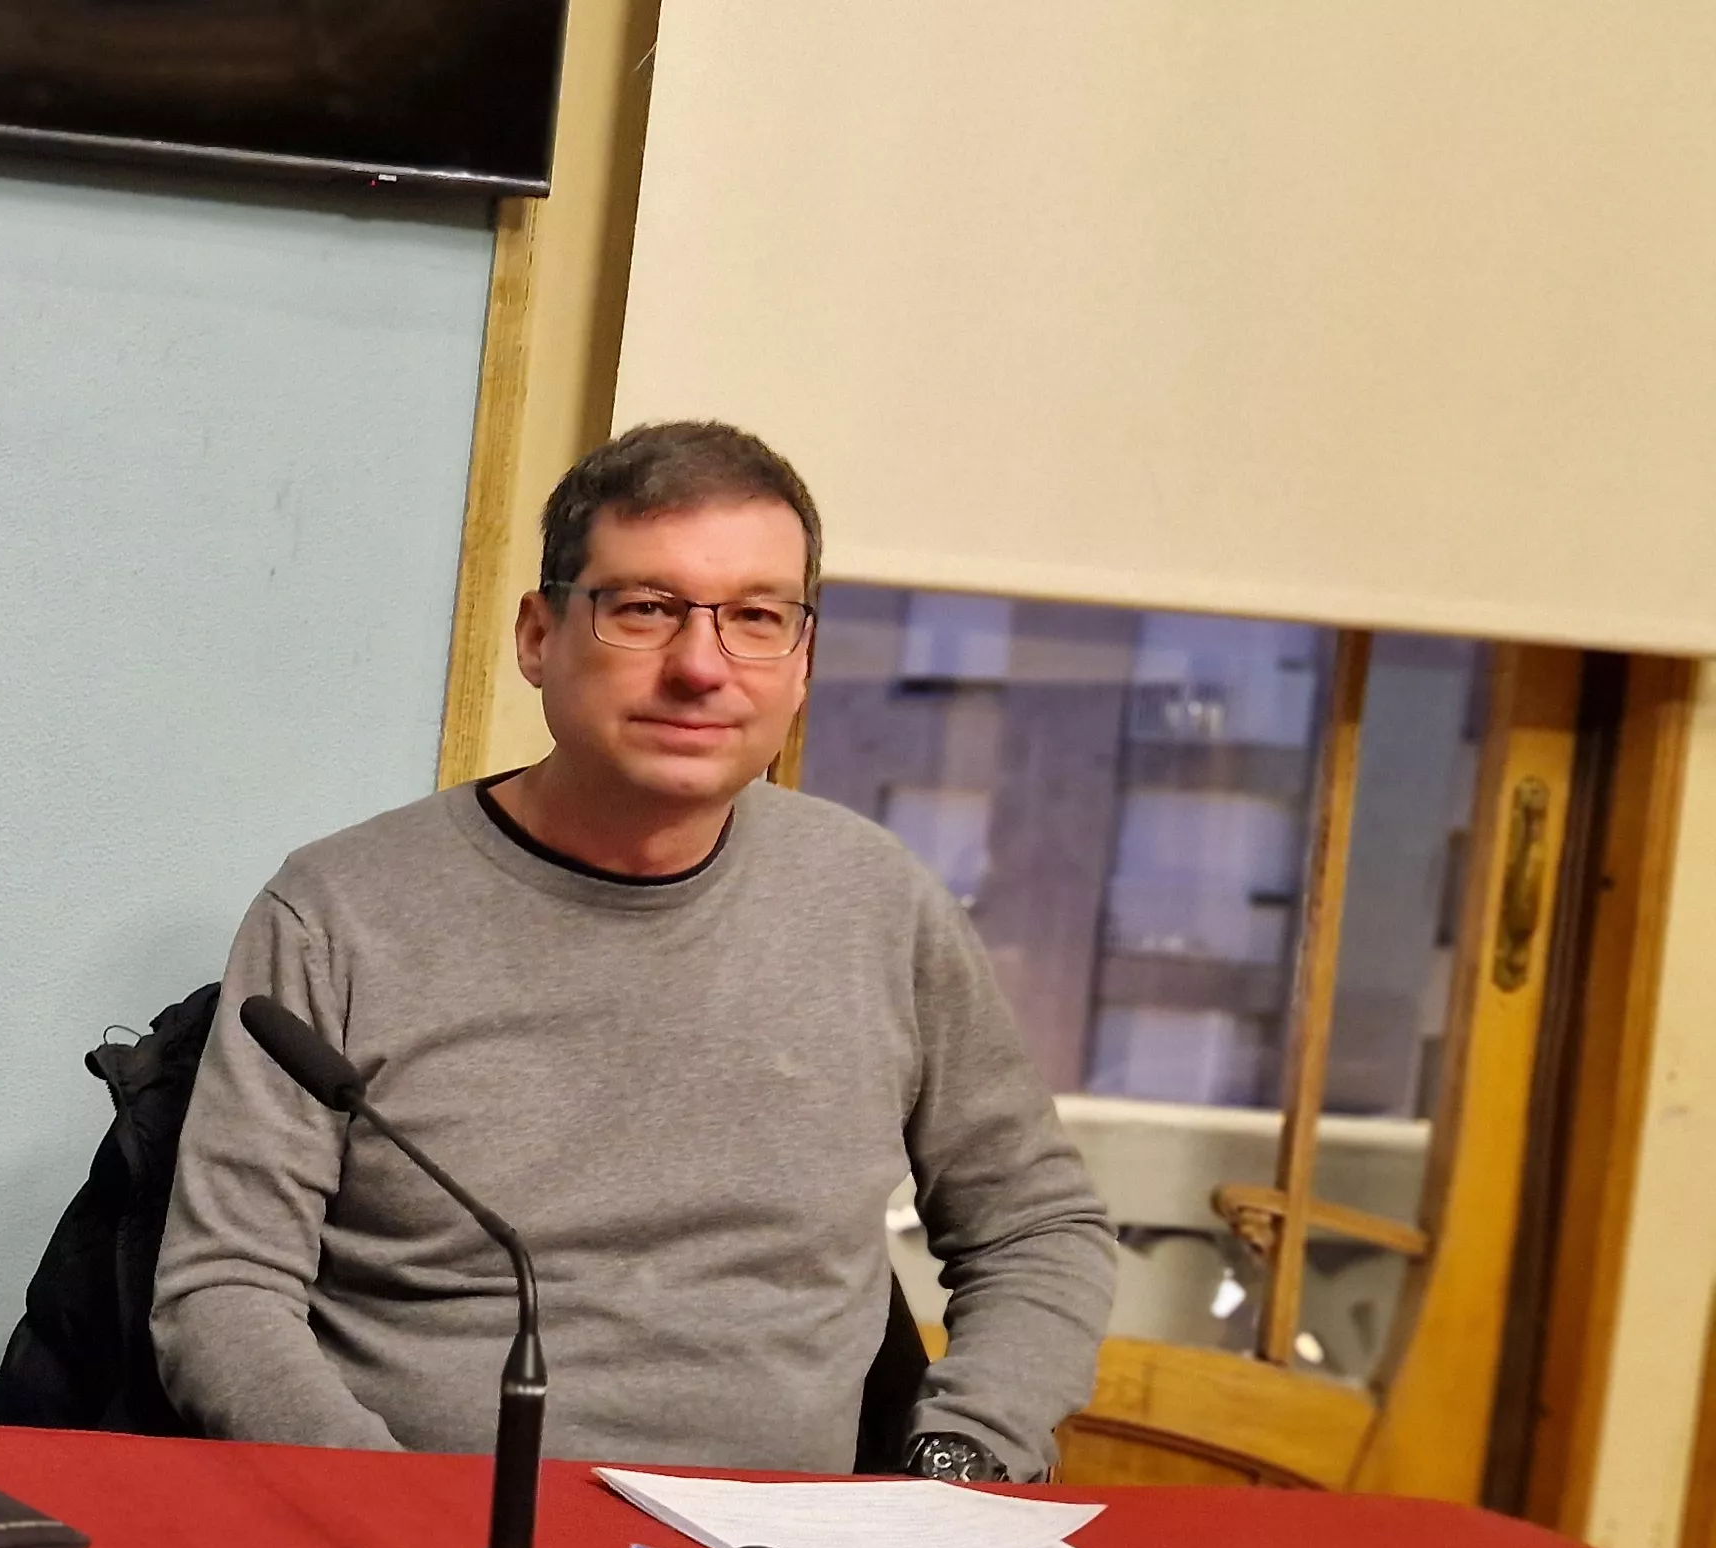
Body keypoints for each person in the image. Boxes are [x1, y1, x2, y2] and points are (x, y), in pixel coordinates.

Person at [151, 422, 1114, 1482]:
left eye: (755, 617)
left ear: (801, 664)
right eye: (645, 609)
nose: (700, 667)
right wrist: (392, 1509)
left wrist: (962, 1457)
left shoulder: (875, 901)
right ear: (536, 635)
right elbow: (223, 1293)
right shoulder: (339, 911)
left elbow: (1036, 1226)